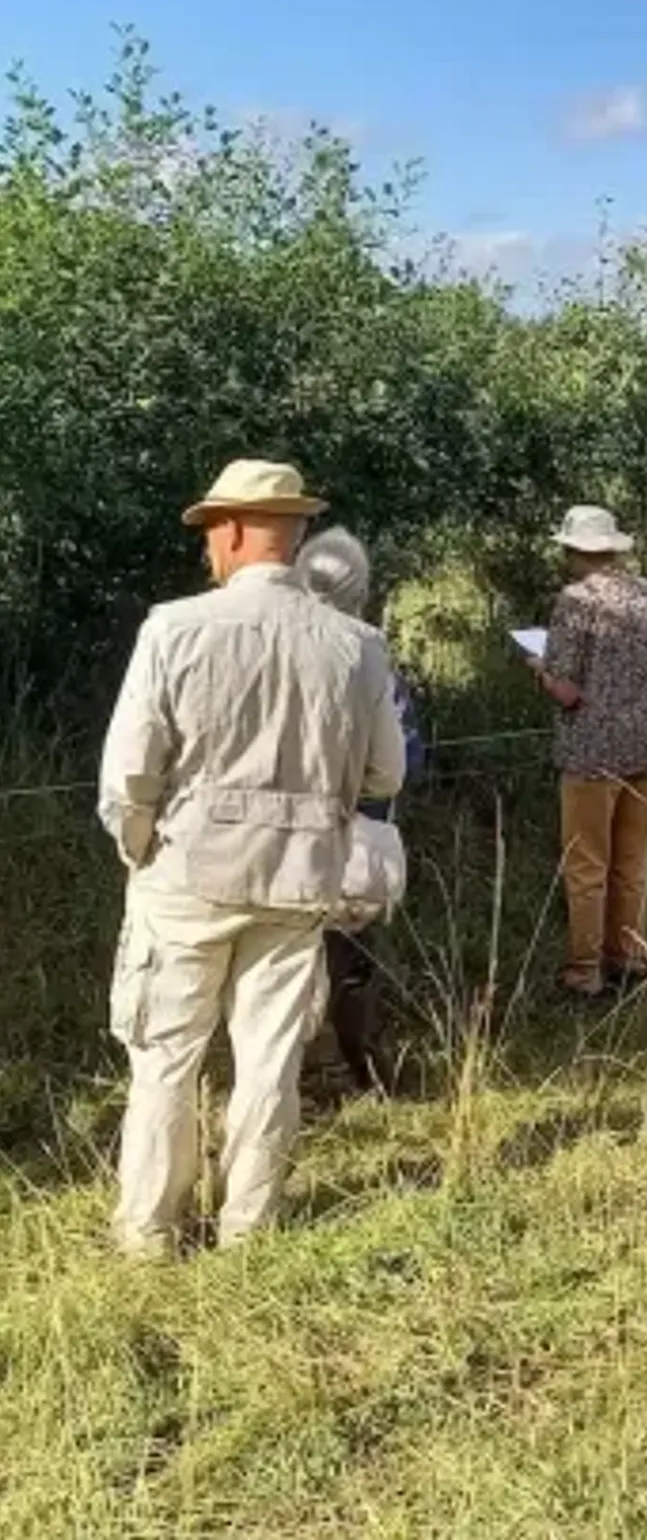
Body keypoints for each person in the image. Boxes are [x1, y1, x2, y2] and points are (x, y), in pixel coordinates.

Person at [98, 459, 407, 1257]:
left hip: (188, 868)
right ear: (296, 533)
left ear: (231, 531)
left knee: (166, 1054)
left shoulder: (174, 627)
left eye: (210, 534)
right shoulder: (358, 643)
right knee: (270, 1056)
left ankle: (150, 1231)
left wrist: (139, 848)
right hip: (300, 873)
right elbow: (387, 772)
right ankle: (249, 1226)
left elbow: (131, 771)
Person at [533, 506, 647, 1000]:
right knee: (634, 861)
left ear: (576, 551)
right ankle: (631, 958)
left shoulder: (577, 600)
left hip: (592, 749)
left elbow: (567, 691)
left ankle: (585, 971)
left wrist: (539, 668)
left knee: (587, 864)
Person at [295, 526, 425, 1094]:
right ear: (363, 590)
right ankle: (357, 1069)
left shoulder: (271, 642)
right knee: (350, 961)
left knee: (282, 959)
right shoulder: (370, 653)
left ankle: (298, 1070)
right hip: (353, 832)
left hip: (273, 836)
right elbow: (406, 757)